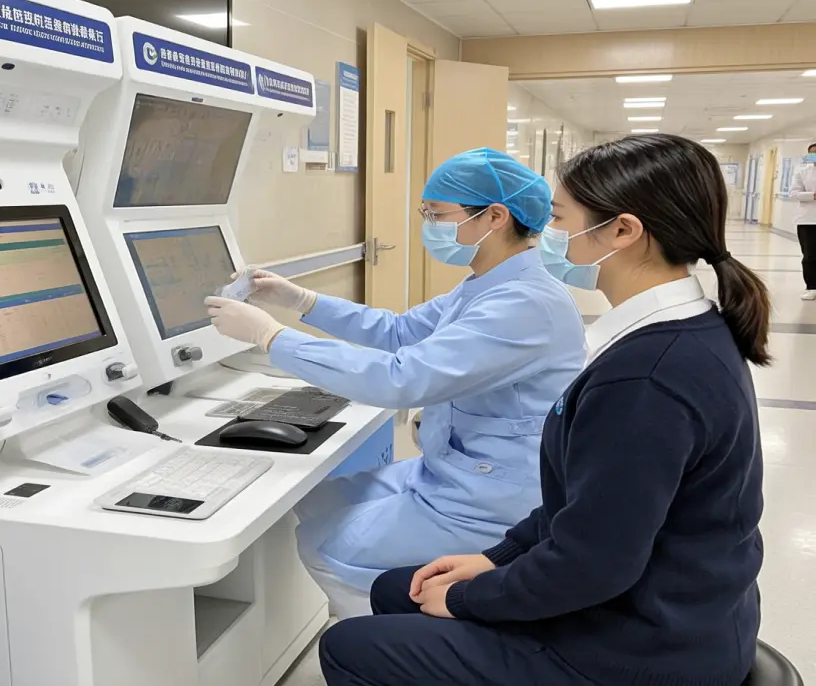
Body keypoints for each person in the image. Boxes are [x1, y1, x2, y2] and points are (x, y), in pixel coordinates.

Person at [319, 133, 767, 686]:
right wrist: (499, 556)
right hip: (676, 606)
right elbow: (586, 505)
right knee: (397, 590)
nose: (547, 233)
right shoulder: (686, 331)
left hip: (643, 647)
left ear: (623, 231)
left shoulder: (645, 378)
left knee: (348, 646)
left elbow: (593, 565)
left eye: (558, 218)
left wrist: (468, 597)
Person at [206, 148, 585, 620]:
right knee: (315, 499)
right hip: (455, 470)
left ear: (494, 216)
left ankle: (393, 642)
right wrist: (302, 300)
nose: (429, 225)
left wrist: (271, 337)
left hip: (494, 498)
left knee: (325, 544)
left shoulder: (525, 302)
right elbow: (400, 331)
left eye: (437, 214)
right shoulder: (488, 284)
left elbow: (401, 379)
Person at [788, 141, 816, 300]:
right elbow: (793, 193)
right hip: (808, 221)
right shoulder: (802, 173)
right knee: (810, 255)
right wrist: (812, 195)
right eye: (812, 153)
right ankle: (812, 287)